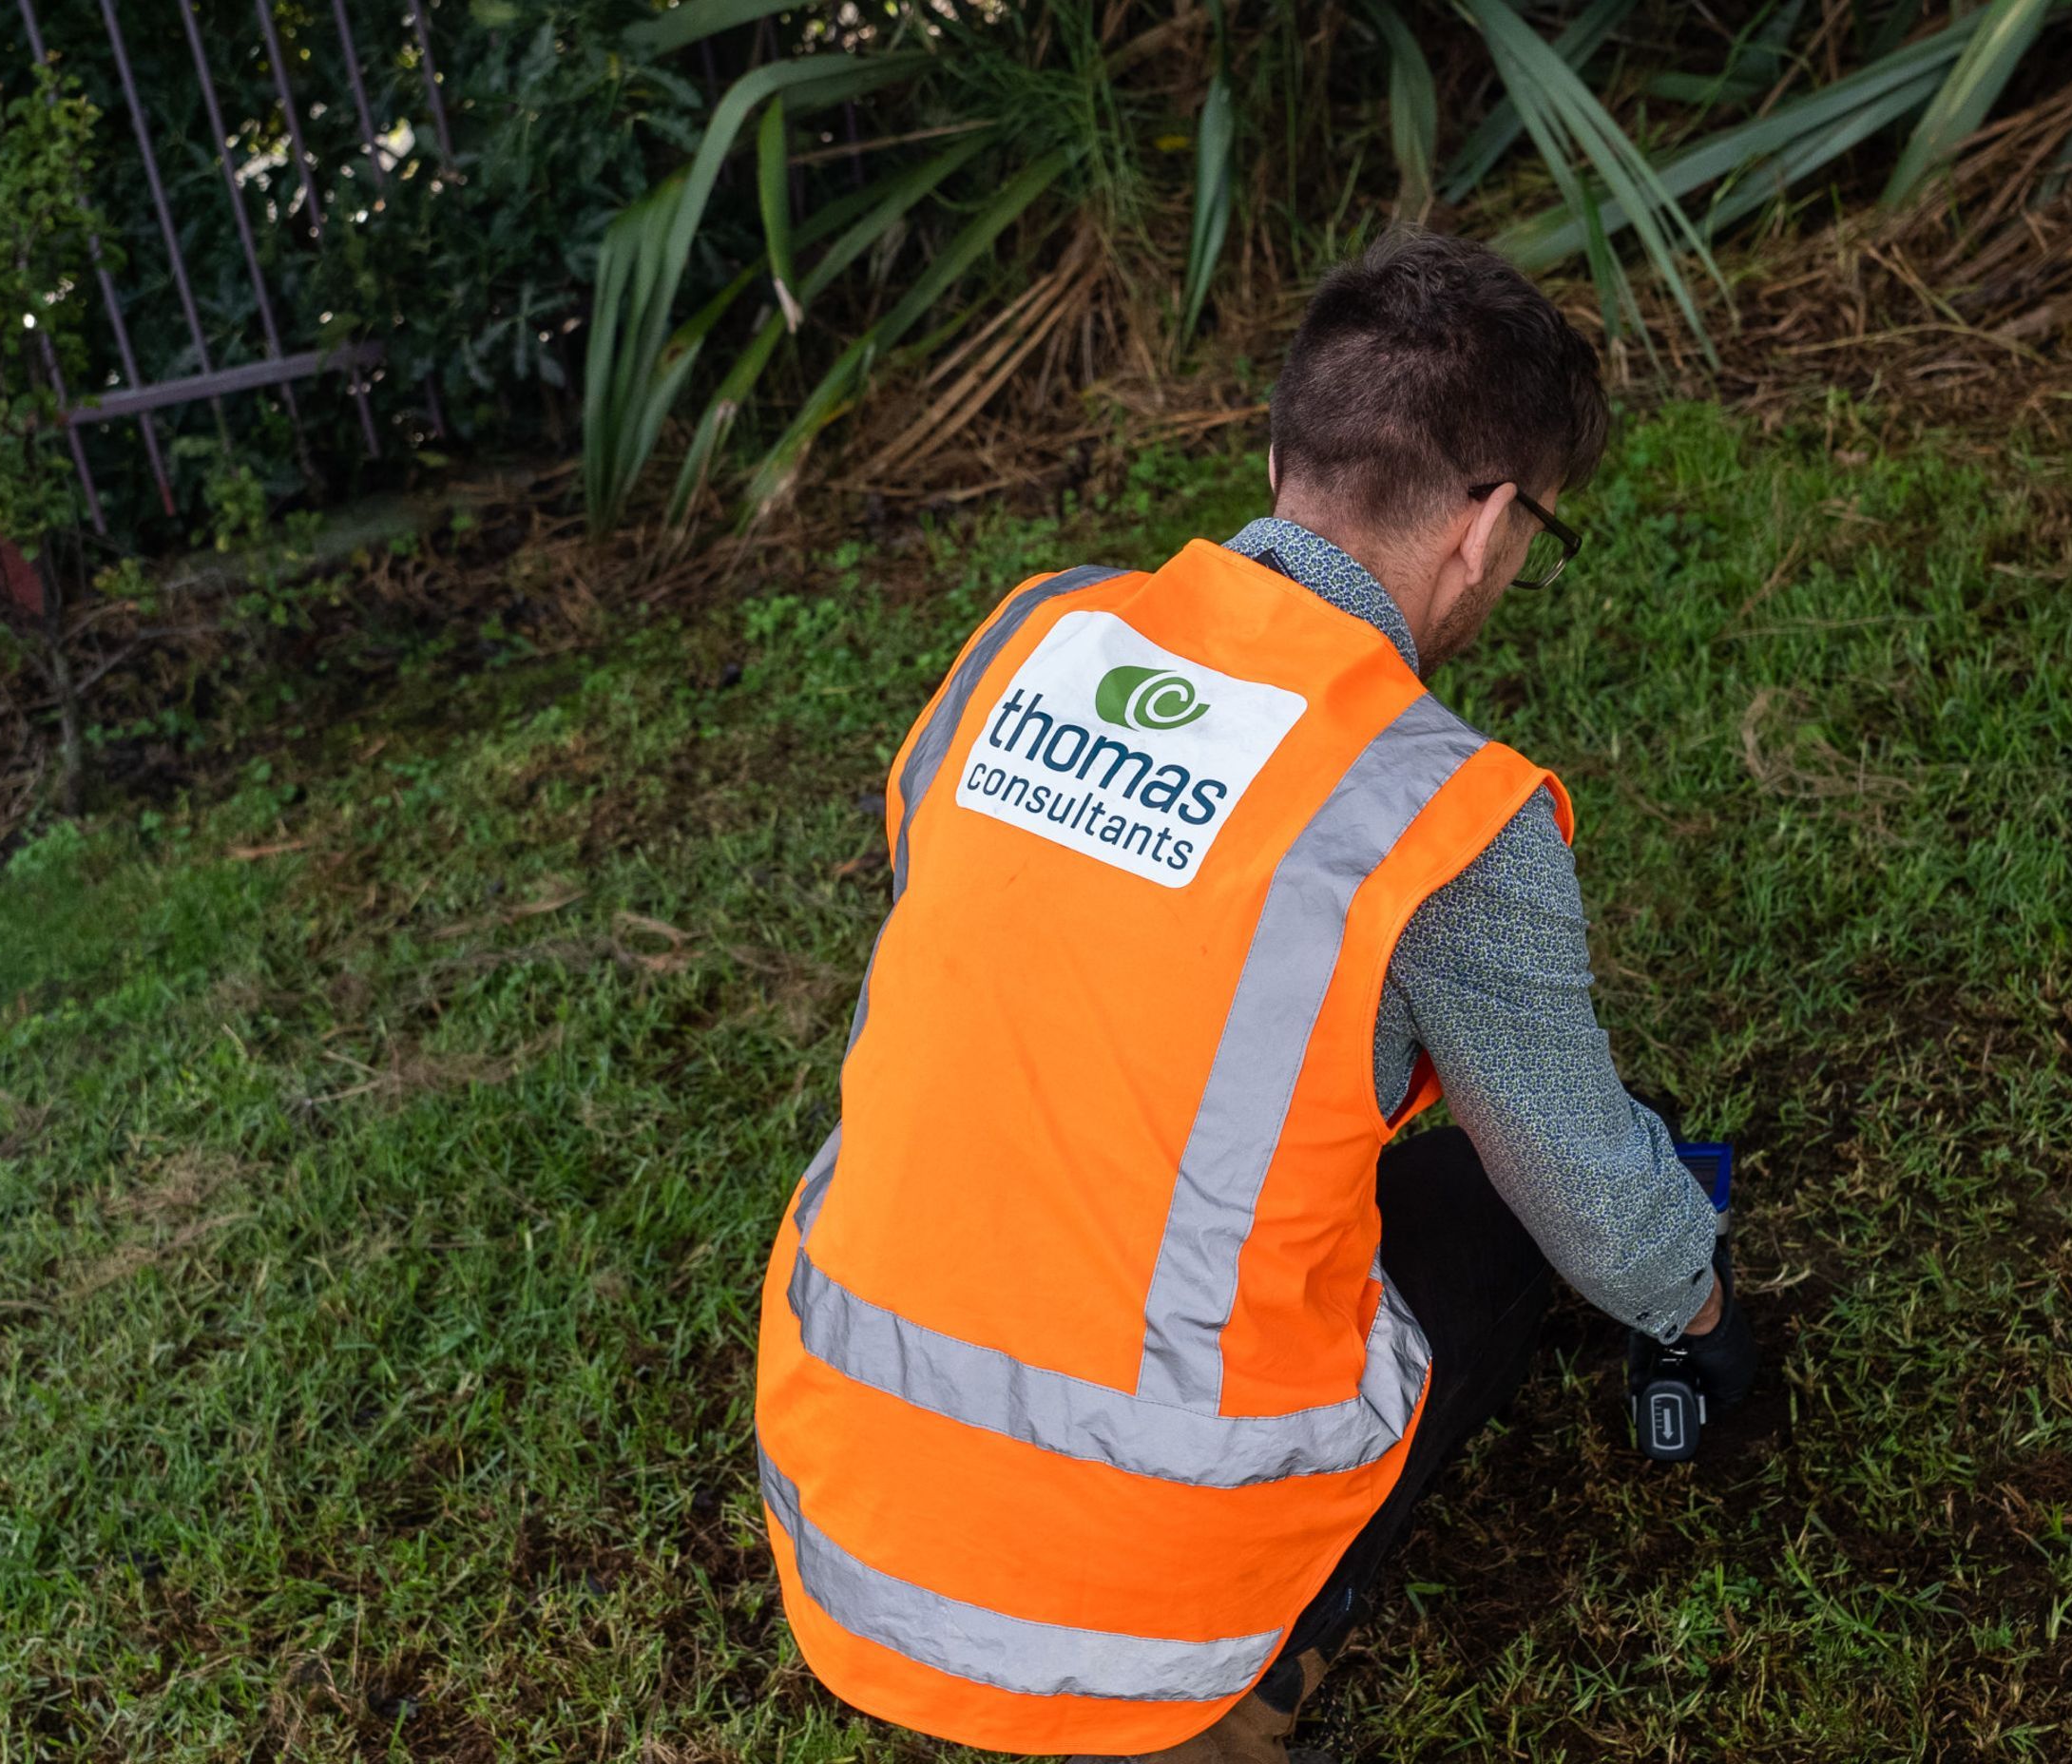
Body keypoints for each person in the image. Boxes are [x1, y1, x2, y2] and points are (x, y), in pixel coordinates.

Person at [750, 229, 1760, 1764]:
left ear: (1278, 449)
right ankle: (1240, 1702)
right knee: (1516, 1211)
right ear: (1488, 531)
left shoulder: (1025, 642)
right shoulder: (1441, 814)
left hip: (850, 1526)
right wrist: (1703, 1318)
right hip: (1134, 1610)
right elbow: (1589, 1200)